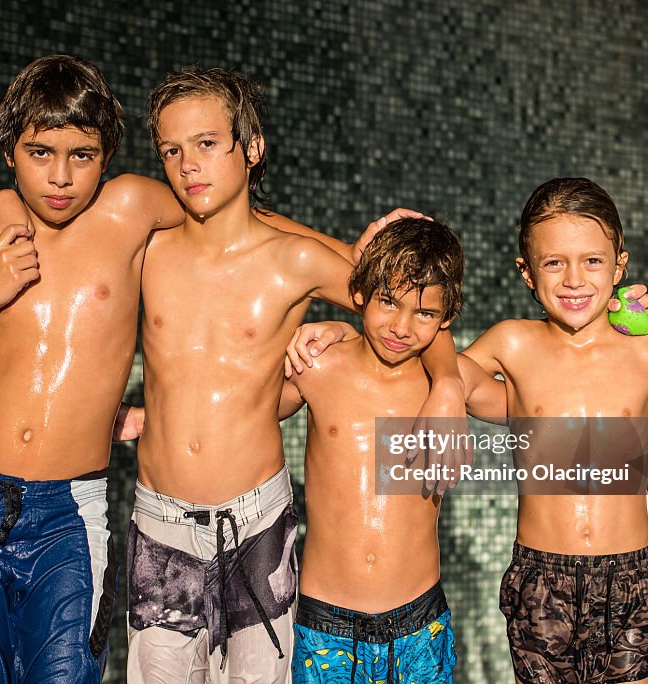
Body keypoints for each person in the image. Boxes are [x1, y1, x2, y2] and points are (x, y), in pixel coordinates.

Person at [109, 66, 468, 684]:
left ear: (252, 149)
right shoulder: (150, 246)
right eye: (172, 149)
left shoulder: (296, 261)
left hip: (258, 519)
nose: (189, 165)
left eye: (207, 144)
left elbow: (404, 310)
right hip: (162, 518)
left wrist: (449, 387)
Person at [0, 54, 186, 682]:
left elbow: (230, 220)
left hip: (70, 512)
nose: (60, 177)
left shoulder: (127, 213)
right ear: (11, 151)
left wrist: (363, 260)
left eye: (82, 155)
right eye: (40, 152)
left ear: (107, 157)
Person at [462, 177, 648, 683]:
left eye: (593, 260)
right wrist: (337, 330)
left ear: (620, 265)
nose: (574, 278)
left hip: (630, 577)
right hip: (542, 580)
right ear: (527, 273)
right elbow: (434, 367)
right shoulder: (512, 344)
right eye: (554, 262)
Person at [277, 218, 503, 683]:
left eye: (423, 314)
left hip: (419, 622)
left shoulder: (453, 380)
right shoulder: (316, 367)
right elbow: (237, 415)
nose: (401, 327)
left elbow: (548, 409)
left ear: (446, 319)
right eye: (388, 302)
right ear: (359, 293)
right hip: (326, 625)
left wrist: (607, 329)